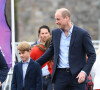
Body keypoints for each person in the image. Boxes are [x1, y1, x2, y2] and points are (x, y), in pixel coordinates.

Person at [36, 8, 96, 90]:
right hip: (60, 77)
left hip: (77, 77)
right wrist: (33, 64)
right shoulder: (55, 33)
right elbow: (50, 52)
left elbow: (92, 55)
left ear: (66, 18)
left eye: (58, 19)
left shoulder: (82, 34)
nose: (56, 22)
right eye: (55, 19)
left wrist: (84, 72)